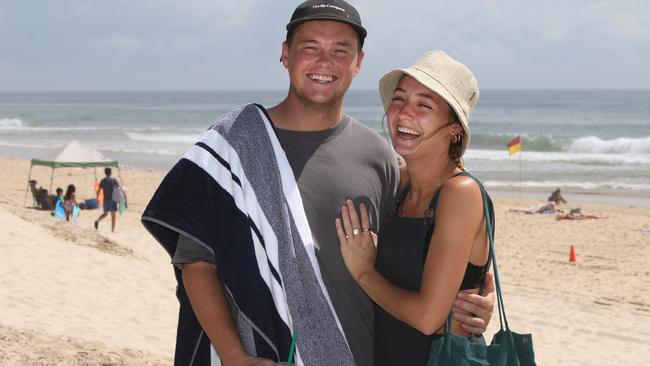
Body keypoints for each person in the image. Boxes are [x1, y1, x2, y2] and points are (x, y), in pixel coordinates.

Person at [142, 2, 494, 365]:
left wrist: (469, 302)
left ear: (357, 63)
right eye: (310, 47)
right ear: (285, 55)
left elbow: (412, 261)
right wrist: (233, 354)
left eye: (340, 51)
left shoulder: (381, 158)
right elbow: (197, 263)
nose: (324, 63)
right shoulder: (234, 145)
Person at [336, 50, 493, 365]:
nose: (404, 113)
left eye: (424, 105)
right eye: (399, 100)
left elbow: (427, 318)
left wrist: (364, 271)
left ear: (455, 129)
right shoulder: (398, 182)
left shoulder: (460, 193)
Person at [94, 167, 118, 232]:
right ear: (110, 172)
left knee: (105, 213)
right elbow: (117, 189)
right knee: (113, 215)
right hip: (112, 200)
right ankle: (113, 230)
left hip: (105, 200)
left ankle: (97, 220)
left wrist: (97, 198)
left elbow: (99, 190)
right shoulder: (114, 180)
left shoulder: (103, 180)